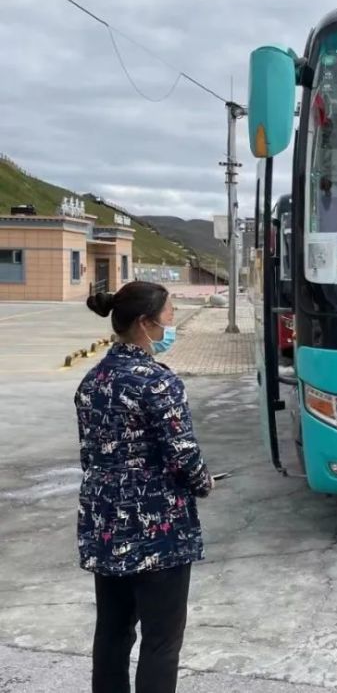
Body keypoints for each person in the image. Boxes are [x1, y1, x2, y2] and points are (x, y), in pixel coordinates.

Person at [77, 281, 214, 693]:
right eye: (169, 313)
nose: (172, 322)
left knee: (113, 632)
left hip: (105, 521)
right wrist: (204, 483)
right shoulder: (157, 382)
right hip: (157, 528)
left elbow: (93, 454)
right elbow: (184, 454)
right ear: (144, 322)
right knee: (161, 640)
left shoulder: (93, 380)